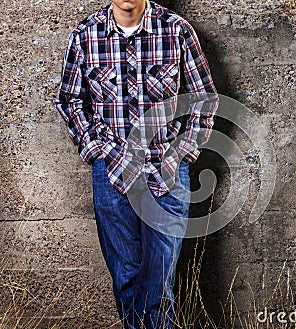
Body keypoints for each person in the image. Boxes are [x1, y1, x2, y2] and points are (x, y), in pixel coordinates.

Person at [54, 0, 218, 328]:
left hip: (167, 173)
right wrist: (95, 149)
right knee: (126, 280)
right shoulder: (85, 35)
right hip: (112, 173)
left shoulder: (176, 31)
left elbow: (205, 98)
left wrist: (183, 150)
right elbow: (69, 99)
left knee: (159, 285)